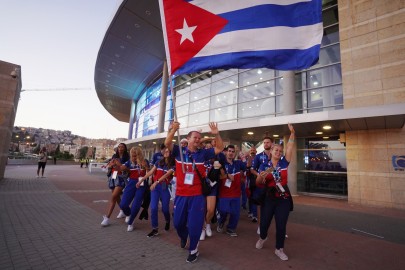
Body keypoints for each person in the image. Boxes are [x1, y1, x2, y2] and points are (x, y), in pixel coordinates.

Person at [165, 121, 224, 263]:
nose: (197, 139)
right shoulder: (179, 151)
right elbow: (167, 143)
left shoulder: (203, 154)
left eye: (199, 138)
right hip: (180, 195)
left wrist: (217, 134)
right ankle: (184, 236)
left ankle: (193, 249)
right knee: (178, 223)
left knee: (195, 224)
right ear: (188, 139)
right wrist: (173, 130)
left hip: (197, 195)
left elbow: (220, 148)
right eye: (195, 137)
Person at [255, 123, 295, 261]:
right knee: (264, 223)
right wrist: (264, 174)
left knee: (281, 225)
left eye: (280, 151)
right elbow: (258, 183)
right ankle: (263, 237)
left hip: (283, 198)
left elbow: (290, 148)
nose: (278, 152)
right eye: (275, 150)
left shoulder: (284, 163)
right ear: (271, 151)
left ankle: (279, 249)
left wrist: (292, 134)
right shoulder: (264, 165)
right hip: (269, 198)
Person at [140, 147, 175, 237]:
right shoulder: (159, 162)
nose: (165, 152)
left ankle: (167, 220)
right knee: (154, 208)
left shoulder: (173, 164)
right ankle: (155, 229)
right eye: (164, 151)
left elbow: (167, 174)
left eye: (168, 151)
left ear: (171, 153)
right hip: (155, 187)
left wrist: (156, 182)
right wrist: (142, 180)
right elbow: (151, 172)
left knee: (165, 209)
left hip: (164, 187)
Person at [216, 145, 246, 237]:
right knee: (223, 211)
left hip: (236, 193)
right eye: (229, 151)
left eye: (233, 151)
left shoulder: (238, 163)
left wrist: (244, 157)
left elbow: (247, 166)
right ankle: (221, 222)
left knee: (235, 213)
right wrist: (227, 175)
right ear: (226, 152)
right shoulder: (221, 163)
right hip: (224, 193)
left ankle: (230, 228)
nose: (231, 153)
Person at [119, 146, 150, 232]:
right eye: (132, 155)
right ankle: (128, 214)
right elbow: (121, 167)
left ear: (140, 155)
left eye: (135, 156)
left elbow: (150, 172)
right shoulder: (129, 162)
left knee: (136, 205)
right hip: (131, 183)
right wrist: (118, 166)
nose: (133, 157)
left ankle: (131, 222)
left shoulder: (145, 161)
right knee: (123, 204)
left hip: (142, 184)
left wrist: (146, 167)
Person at [101, 143, 130, 227]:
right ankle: (123, 211)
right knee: (116, 197)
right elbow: (110, 166)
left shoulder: (127, 158)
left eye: (122, 147)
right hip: (113, 177)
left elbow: (126, 169)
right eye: (119, 147)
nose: (120, 148)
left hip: (121, 178)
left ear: (125, 149)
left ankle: (107, 217)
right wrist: (110, 165)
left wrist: (118, 164)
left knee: (113, 197)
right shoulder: (114, 156)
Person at [250, 136, 273, 231]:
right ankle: (260, 227)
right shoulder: (258, 156)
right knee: (260, 206)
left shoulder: (277, 155)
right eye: (264, 142)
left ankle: (280, 229)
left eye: (268, 142)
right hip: (261, 185)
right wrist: (259, 175)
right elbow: (252, 169)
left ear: (272, 143)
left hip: (272, 185)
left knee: (274, 206)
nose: (266, 144)